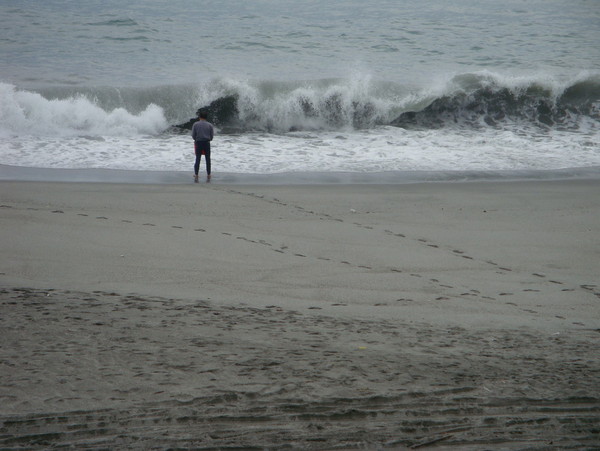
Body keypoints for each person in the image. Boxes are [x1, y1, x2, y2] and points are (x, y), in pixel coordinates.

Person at [191, 110, 214, 182]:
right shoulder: (210, 125)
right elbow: (211, 136)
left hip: (198, 142)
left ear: (199, 117)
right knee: (208, 159)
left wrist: (196, 139)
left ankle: (196, 174)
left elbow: (193, 135)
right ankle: (209, 174)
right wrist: (209, 139)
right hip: (207, 142)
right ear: (206, 117)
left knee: (198, 158)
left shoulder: (195, 124)